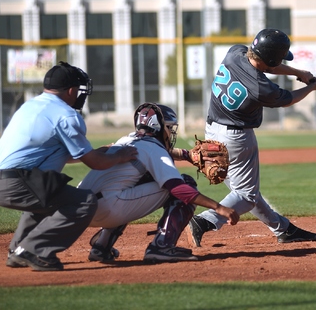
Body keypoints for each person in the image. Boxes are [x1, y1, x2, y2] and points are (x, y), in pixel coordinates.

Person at [0, 62, 139, 271]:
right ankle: (34, 250)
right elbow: (96, 164)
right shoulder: (67, 115)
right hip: (14, 183)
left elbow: (57, 152)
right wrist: (119, 155)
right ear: (71, 90)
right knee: (84, 202)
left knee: (49, 194)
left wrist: (96, 151)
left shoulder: (30, 105)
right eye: (79, 90)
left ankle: (18, 250)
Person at [186, 28, 316, 248]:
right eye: (279, 58)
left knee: (245, 190)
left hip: (212, 130)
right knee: (246, 196)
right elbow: (289, 98)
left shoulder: (235, 53)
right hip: (237, 139)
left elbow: (265, 62)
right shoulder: (261, 88)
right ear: (271, 59)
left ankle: (283, 229)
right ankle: (204, 221)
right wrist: (313, 87)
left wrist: (296, 72)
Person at [78, 102, 239, 263]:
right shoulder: (154, 148)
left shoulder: (126, 140)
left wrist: (186, 155)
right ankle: (162, 246)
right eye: (169, 127)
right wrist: (219, 207)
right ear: (159, 126)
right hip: (109, 210)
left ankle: (101, 247)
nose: (171, 132)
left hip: (82, 210)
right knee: (185, 183)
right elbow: (178, 188)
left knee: (131, 183)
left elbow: (158, 153)